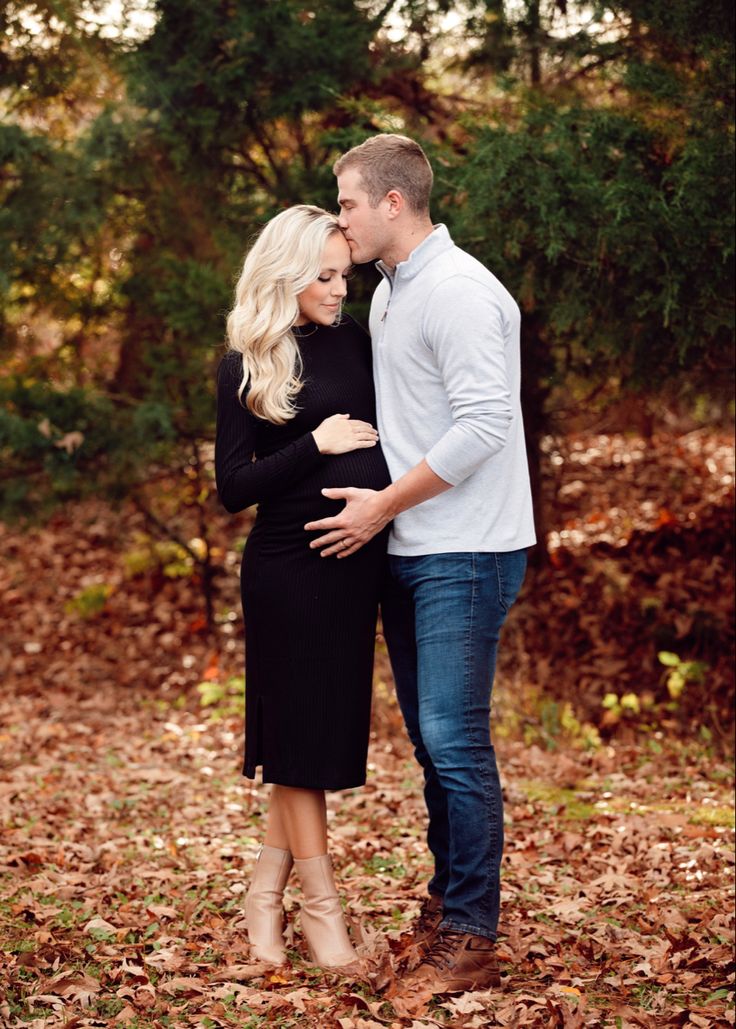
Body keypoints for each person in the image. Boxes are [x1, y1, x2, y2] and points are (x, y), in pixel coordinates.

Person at [305, 135, 536, 994]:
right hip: (414, 544)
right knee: (435, 747)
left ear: (393, 204)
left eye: (349, 203)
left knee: (454, 740)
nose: (342, 219)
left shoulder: (462, 292)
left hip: (466, 549)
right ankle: (449, 905)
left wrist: (381, 505)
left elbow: (483, 427)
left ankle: (473, 933)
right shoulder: (398, 292)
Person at [215, 204, 391, 971]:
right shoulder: (246, 360)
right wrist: (314, 445)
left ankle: (263, 898)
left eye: (341, 275)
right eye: (321, 276)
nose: (336, 289)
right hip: (286, 567)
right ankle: (322, 915)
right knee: (299, 747)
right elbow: (233, 486)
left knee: (311, 738)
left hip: (353, 568)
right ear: (285, 274)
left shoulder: (358, 341)